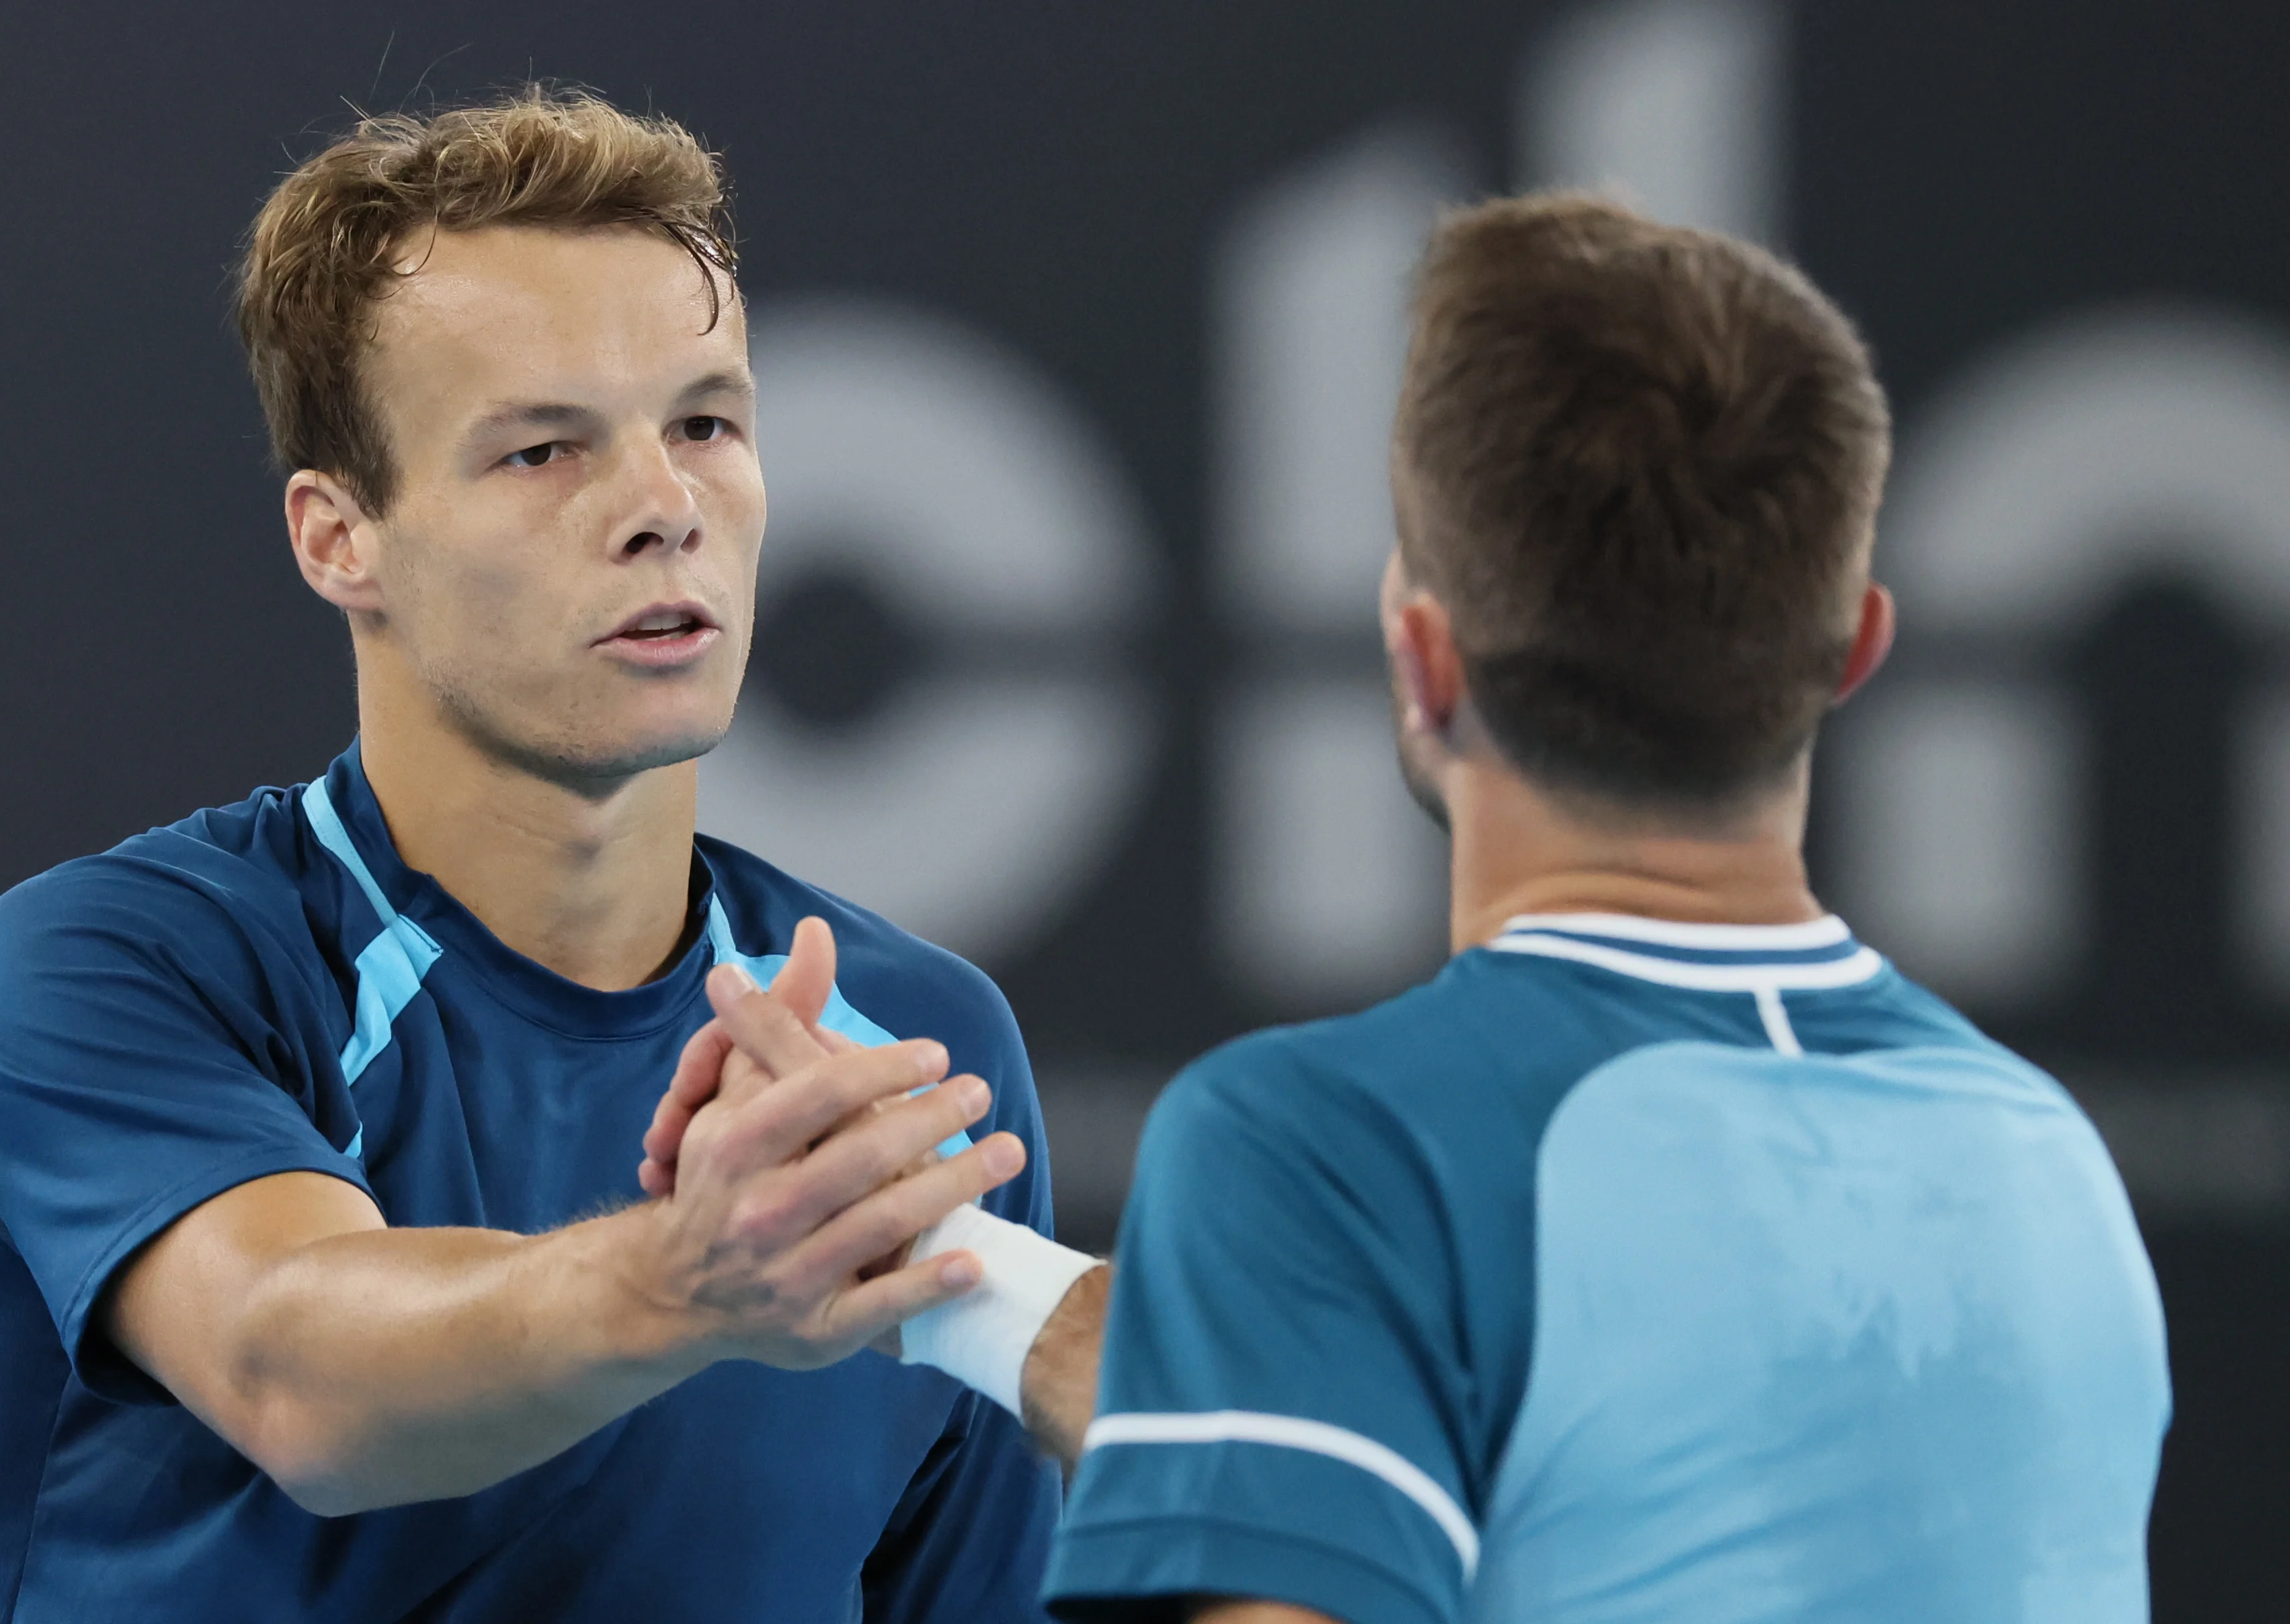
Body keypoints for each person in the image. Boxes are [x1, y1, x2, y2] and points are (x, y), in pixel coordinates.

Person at [679, 194, 2173, 1623]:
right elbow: (1573, 1429)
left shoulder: (1327, 1149)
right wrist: (952, 1266)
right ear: (1853, 647)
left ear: (1419, 658)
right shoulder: (2045, 1162)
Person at [0, 89, 1066, 1623]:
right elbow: (297, 1370)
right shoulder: (116, 962)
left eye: (705, 421)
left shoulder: (919, 1042)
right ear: (340, 537)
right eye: (542, 450)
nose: (663, 507)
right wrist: (686, 1278)